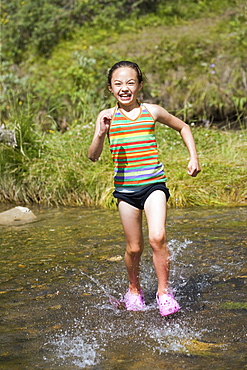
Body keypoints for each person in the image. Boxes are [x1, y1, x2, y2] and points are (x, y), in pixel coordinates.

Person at [88, 61, 201, 316]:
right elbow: (93, 156)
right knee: (134, 248)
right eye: (118, 83)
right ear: (110, 88)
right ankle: (134, 289)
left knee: (157, 237)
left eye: (130, 82)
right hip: (126, 193)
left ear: (139, 85)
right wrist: (99, 133)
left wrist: (193, 157)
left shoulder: (152, 111)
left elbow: (184, 127)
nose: (124, 88)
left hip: (154, 185)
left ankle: (163, 293)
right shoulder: (107, 116)